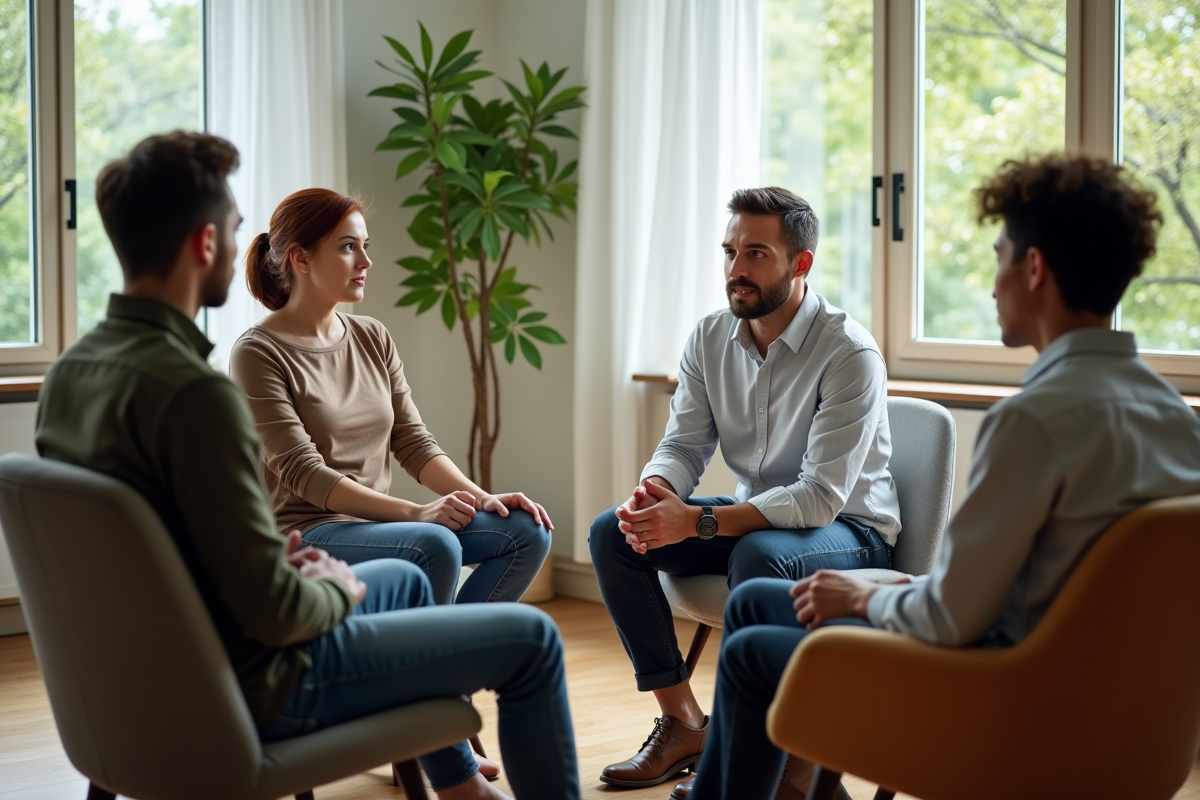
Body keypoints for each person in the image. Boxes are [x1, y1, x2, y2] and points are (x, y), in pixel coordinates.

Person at [34, 131, 581, 800]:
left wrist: (274, 558)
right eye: (236, 231)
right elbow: (274, 613)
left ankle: (460, 788)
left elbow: (166, 553)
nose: (244, 250)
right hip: (258, 687)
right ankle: (455, 770)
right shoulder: (197, 393)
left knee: (411, 580)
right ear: (205, 243)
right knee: (530, 637)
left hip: (139, 689)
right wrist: (331, 586)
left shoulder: (68, 377)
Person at [676, 153, 1200, 800]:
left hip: (1004, 704)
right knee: (757, 603)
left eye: (1000, 257)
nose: (991, 284)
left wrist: (864, 595)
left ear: (1034, 270)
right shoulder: (1177, 421)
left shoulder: (1034, 422)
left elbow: (951, 618)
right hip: (1130, 720)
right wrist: (883, 584)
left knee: (753, 653)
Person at [590, 187, 902, 788]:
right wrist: (654, 494)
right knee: (614, 533)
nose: (736, 269)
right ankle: (684, 723)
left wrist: (700, 522)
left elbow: (818, 498)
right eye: (730, 251)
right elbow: (684, 445)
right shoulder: (710, 338)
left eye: (756, 253)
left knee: (761, 555)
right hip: (758, 518)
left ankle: (765, 755)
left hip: (850, 533)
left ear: (800, 263)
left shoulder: (848, 352)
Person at [228, 189, 551, 612]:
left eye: (365, 246)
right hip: (308, 531)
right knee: (432, 543)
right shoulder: (257, 353)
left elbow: (414, 443)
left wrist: (483, 497)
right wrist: (414, 514)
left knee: (526, 531)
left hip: (376, 525)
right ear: (301, 259)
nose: (365, 262)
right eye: (348, 247)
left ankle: (447, 660)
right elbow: (305, 474)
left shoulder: (371, 336)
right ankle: (433, 666)